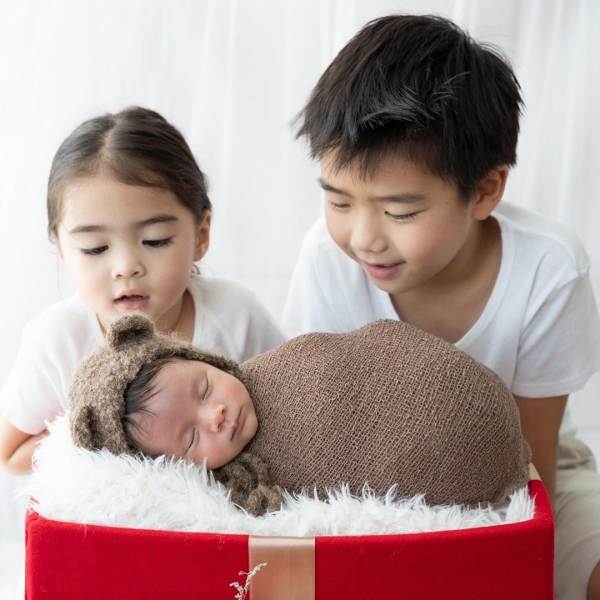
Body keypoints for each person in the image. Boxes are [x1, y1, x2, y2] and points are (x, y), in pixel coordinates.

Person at [282, 14, 600, 599]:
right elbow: (309, 430)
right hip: (371, 476)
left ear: (484, 190)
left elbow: (534, 468)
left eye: (400, 212)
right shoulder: (327, 258)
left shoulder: (549, 269)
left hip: (525, 468)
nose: (364, 239)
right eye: (340, 202)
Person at [0, 106, 284, 475]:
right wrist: (108, 446)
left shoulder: (235, 314)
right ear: (62, 251)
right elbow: (11, 453)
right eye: (95, 249)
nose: (125, 267)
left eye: (155, 240)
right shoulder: (58, 341)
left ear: (200, 235)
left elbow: (288, 400)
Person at [69, 313, 530, 517]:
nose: (216, 416)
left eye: (205, 387)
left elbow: (353, 354)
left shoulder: (281, 365)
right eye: (191, 438)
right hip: (432, 452)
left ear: (206, 359)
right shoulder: (250, 484)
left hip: (449, 386)